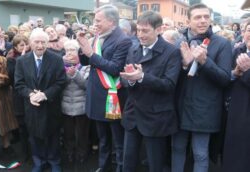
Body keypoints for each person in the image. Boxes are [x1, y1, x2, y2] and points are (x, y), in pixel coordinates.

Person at [171, 3, 232, 172]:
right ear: (188, 21)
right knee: (177, 149)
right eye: (198, 17)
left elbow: (225, 79)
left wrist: (205, 62)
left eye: (206, 16)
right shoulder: (179, 42)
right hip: (181, 106)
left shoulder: (222, 44)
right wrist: (184, 65)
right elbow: (170, 78)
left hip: (205, 108)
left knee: (200, 154)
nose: (203, 20)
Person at [120, 11, 181, 172]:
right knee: (128, 163)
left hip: (156, 117)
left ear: (158, 29)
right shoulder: (133, 49)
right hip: (133, 115)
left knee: (155, 164)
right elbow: (125, 80)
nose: (140, 35)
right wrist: (131, 80)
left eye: (145, 31)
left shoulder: (172, 52)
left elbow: (169, 85)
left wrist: (142, 77)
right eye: (138, 30)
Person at [77, 4, 132, 172]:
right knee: (102, 138)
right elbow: (86, 62)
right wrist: (83, 46)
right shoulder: (99, 36)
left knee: (117, 138)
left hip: (112, 96)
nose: (95, 23)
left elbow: (115, 68)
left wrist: (90, 54)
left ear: (111, 21)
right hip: (97, 94)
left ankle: (121, 167)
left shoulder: (123, 40)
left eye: (98, 20)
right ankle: (103, 165)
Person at [14, 29, 67, 172]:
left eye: (43, 42)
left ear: (47, 43)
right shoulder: (21, 61)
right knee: (34, 136)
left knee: (53, 136)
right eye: (36, 42)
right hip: (32, 106)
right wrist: (31, 94)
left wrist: (45, 95)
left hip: (50, 105)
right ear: (30, 43)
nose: (40, 45)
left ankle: (54, 161)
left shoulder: (56, 59)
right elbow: (19, 84)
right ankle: (39, 162)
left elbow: (61, 82)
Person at [222, 21, 250, 172]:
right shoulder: (238, 51)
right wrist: (234, 74)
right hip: (236, 112)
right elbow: (225, 78)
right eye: (249, 30)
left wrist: (247, 72)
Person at [61, 39, 90, 163]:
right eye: (67, 50)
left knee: (82, 133)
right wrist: (68, 74)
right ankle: (69, 153)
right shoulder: (60, 65)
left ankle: (82, 154)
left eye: (72, 50)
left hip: (81, 105)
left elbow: (86, 85)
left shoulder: (86, 65)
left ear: (78, 52)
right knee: (68, 133)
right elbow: (59, 84)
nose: (70, 53)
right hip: (65, 105)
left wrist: (75, 74)